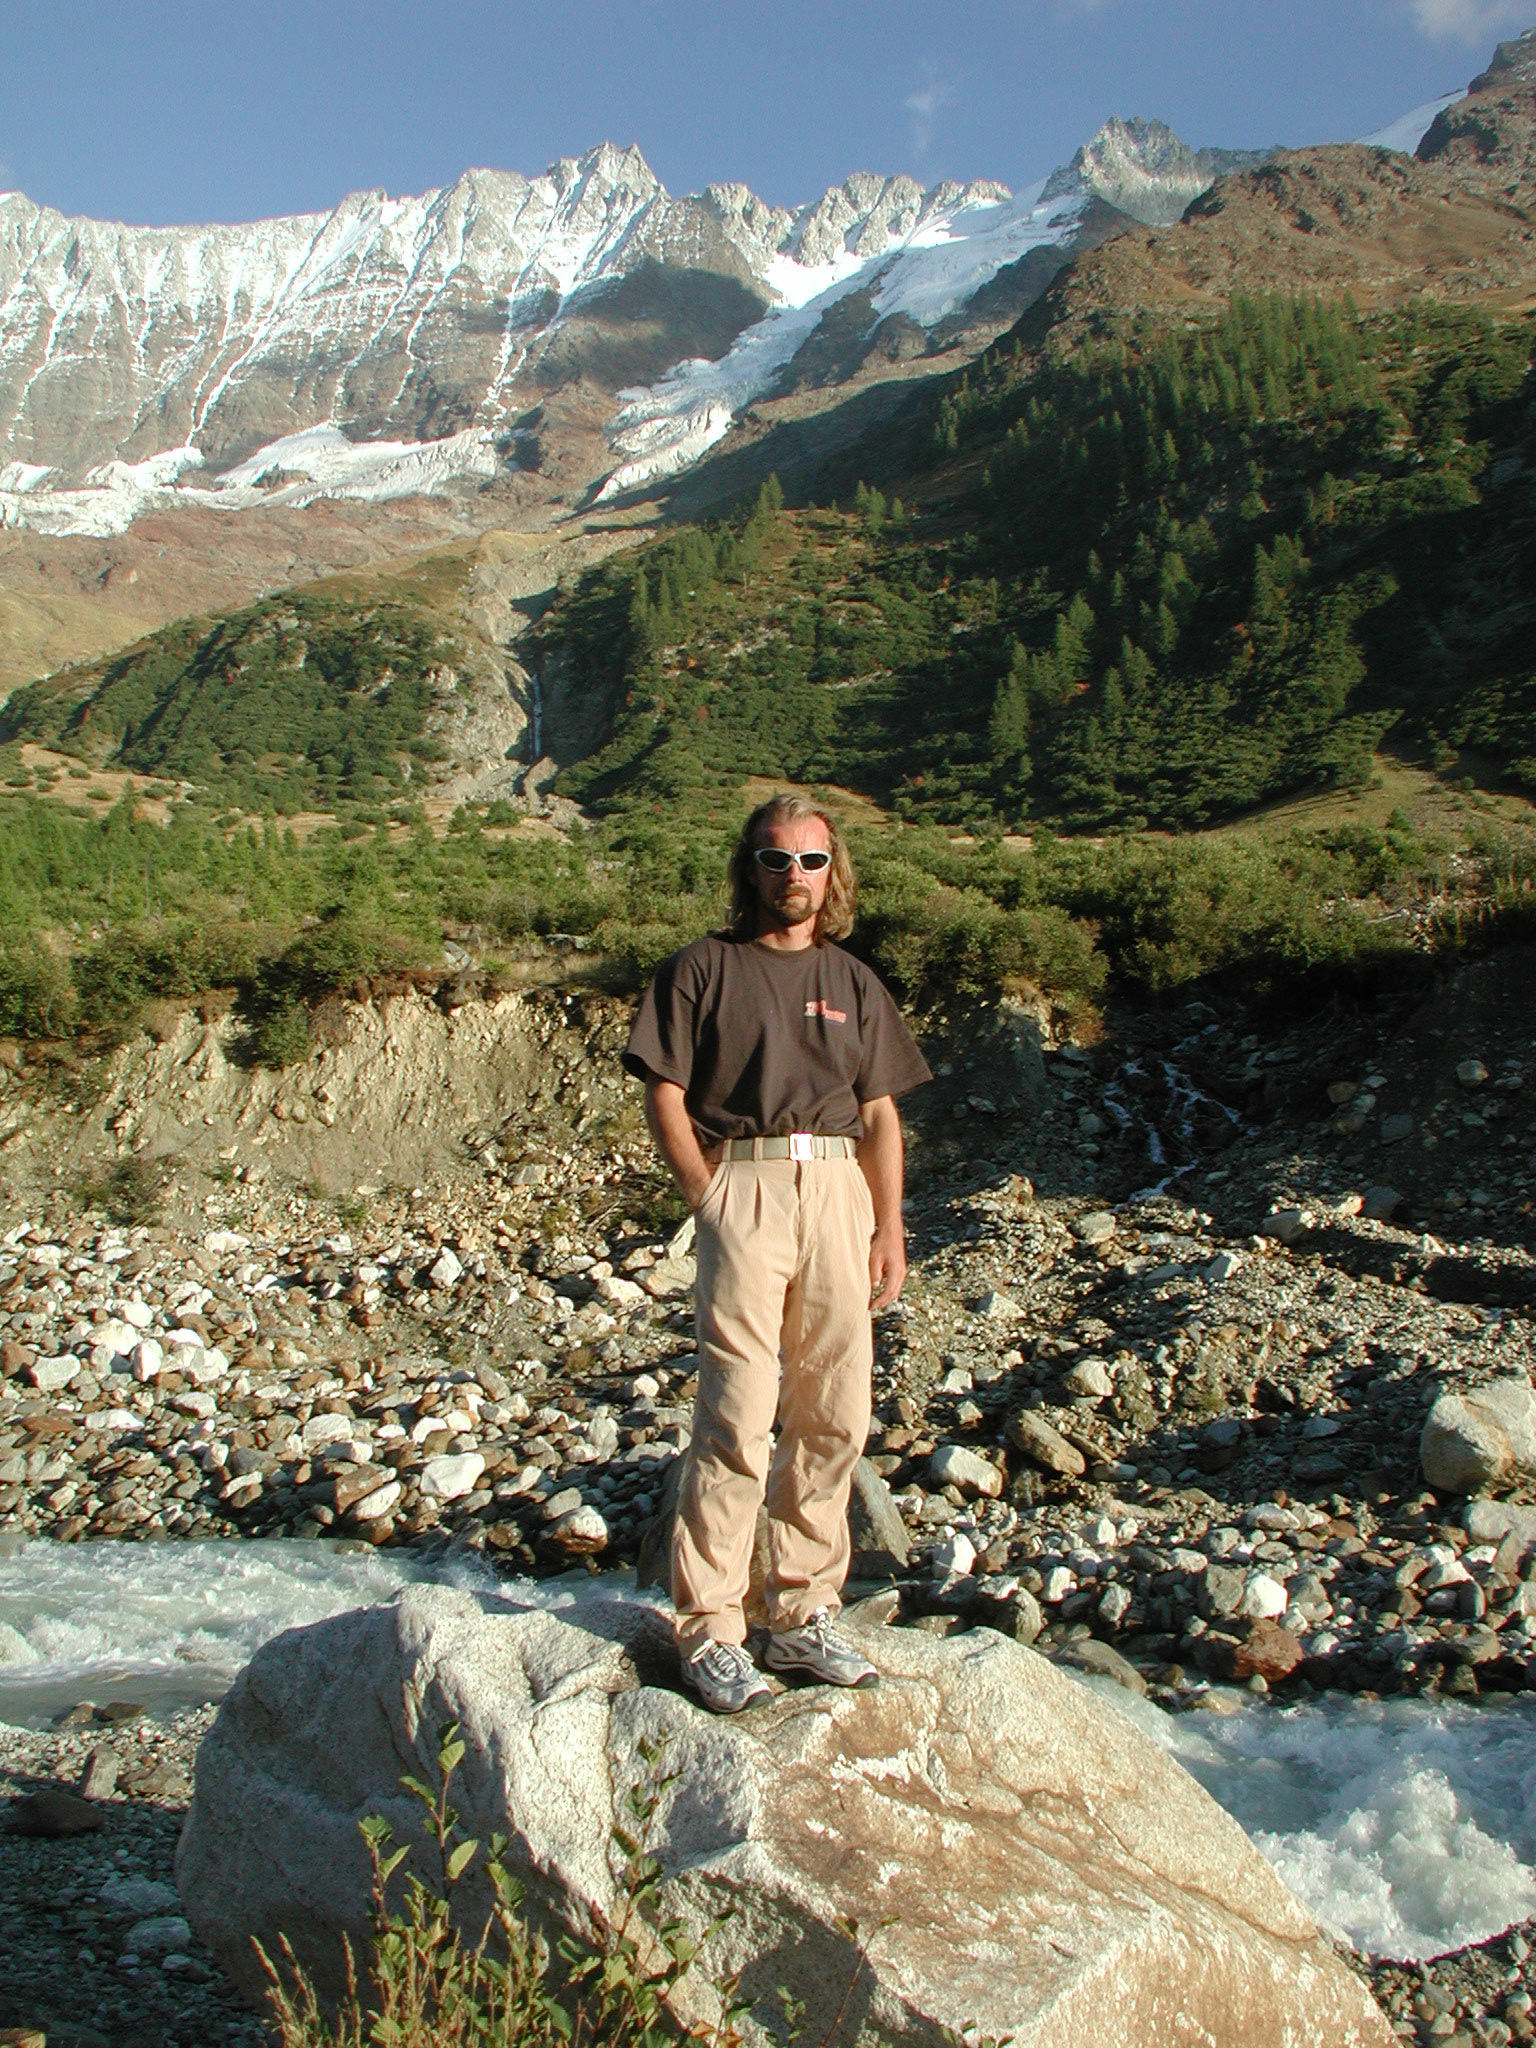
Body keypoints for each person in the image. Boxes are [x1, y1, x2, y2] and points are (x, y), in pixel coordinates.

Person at [621, 793, 932, 1713]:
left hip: (837, 1186)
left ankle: (800, 1614)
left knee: (835, 1406)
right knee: (737, 1410)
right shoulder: (702, 969)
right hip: (745, 1183)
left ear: (833, 873)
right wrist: (703, 1190)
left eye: (809, 860)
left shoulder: (856, 980)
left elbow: (881, 1115)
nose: (792, 876)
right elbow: (665, 1091)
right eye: (774, 859)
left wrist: (890, 1226)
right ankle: (711, 1628)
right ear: (747, 868)